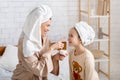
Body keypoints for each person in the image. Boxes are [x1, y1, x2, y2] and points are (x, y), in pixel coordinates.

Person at [12, 4, 66, 80]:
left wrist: (55, 58)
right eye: (47, 25)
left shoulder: (45, 39)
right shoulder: (25, 44)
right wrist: (51, 48)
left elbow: (44, 61)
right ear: (37, 25)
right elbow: (38, 69)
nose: (48, 29)